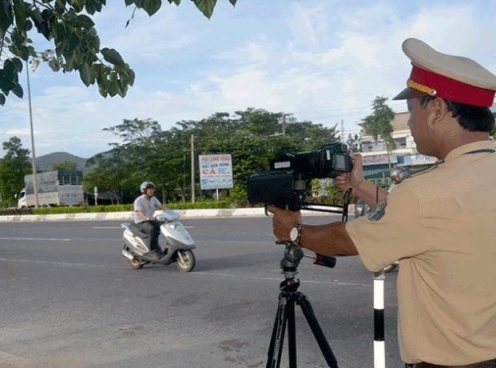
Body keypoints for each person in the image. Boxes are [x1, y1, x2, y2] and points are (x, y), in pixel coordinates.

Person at [269, 38, 496, 368]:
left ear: (438, 110)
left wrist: (294, 233)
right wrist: (361, 188)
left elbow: (351, 239)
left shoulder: (425, 194)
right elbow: (435, 222)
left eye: (411, 109)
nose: (410, 122)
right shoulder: (459, 183)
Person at [134, 181, 166, 259]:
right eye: (149, 188)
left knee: (166, 225)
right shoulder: (138, 200)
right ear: (144, 190)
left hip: (151, 220)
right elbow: (140, 213)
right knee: (152, 229)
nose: (151, 190)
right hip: (141, 222)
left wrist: (171, 213)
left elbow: (161, 207)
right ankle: (152, 251)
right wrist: (147, 218)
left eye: (152, 188)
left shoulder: (153, 199)